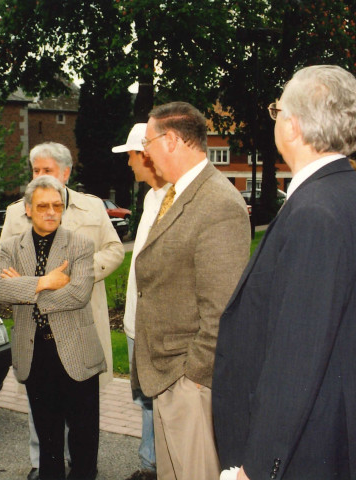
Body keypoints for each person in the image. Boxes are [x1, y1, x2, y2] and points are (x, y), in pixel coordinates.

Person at [213, 65, 356, 480]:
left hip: (306, 451)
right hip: (329, 434)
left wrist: (257, 467)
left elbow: (298, 354)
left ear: (292, 126)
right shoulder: (347, 191)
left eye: (277, 111)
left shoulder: (316, 211)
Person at [134, 101, 250, 480]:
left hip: (188, 380)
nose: (145, 152)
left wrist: (192, 377)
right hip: (166, 373)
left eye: (148, 142)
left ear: (170, 140)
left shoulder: (218, 203)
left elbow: (221, 309)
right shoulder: (178, 194)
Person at [0, 141, 124, 480]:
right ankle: (44, 468)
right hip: (34, 337)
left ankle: (80, 471)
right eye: (35, 170)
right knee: (43, 419)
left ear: (66, 173)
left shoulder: (93, 208)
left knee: (82, 417)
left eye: (47, 170)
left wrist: (70, 277)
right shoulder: (15, 213)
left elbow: (114, 250)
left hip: (80, 326)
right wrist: (41, 283)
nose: (39, 176)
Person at [112, 123, 168, 480]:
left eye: (131, 155)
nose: (129, 163)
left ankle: (157, 467)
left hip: (153, 325)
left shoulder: (172, 200)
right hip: (135, 321)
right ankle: (150, 463)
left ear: (146, 156)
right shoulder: (149, 197)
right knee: (145, 400)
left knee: (158, 402)